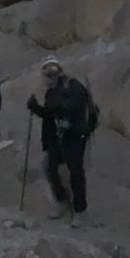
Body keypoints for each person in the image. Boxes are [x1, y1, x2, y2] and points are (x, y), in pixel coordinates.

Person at [27, 55, 91, 228]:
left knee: (75, 171)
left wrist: (63, 107)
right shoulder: (51, 92)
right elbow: (50, 115)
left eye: (53, 69)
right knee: (50, 167)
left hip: (75, 135)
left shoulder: (71, 84)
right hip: (58, 137)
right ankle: (62, 201)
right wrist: (36, 108)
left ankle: (80, 210)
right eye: (46, 70)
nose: (50, 73)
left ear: (60, 70)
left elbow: (79, 99)